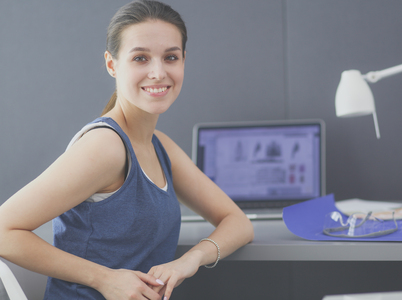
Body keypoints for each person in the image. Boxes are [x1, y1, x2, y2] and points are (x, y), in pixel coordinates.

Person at [0, 1, 254, 299]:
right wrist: (104, 279)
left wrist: (189, 261)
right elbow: (4, 230)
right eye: (140, 58)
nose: (158, 72)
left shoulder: (160, 146)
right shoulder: (106, 147)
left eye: (170, 57)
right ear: (112, 64)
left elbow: (238, 223)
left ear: (184, 60)